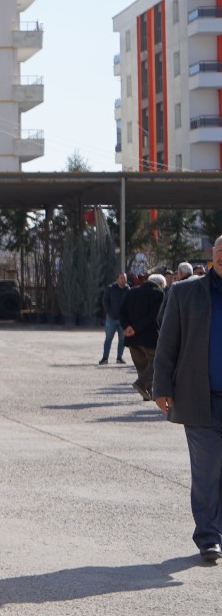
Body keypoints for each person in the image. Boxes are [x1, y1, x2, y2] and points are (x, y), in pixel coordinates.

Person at [152, 234, 222, 563]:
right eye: (220, 251)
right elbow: (167, 343)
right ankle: (209, 537)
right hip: (199, 400)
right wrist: (161, 387)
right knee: (206, 472)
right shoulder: (185, 293)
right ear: (212, 255)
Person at [122, 272, 166, 401]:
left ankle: (147, 393)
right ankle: (141, 385)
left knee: (141, 366)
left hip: (131, 338)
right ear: (160, 284)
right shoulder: (158, 293)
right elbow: (152, 316)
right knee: (159, 362)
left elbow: (122, 312)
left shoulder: (131, 292)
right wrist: (135, 328)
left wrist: (127, 327)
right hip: (149, 336)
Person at [100, 272, 129, 364]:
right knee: (108, 339)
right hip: (111, 318)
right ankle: (105, 358)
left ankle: (119, 358)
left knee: (122, 339)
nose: (123, 280)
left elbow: (131, 303)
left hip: (123, 320)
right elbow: (105, 300)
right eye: (121, 278)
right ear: (117, 279)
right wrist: (109, 311)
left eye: (124, 278)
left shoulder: (128, 290)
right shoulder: (110, 288)